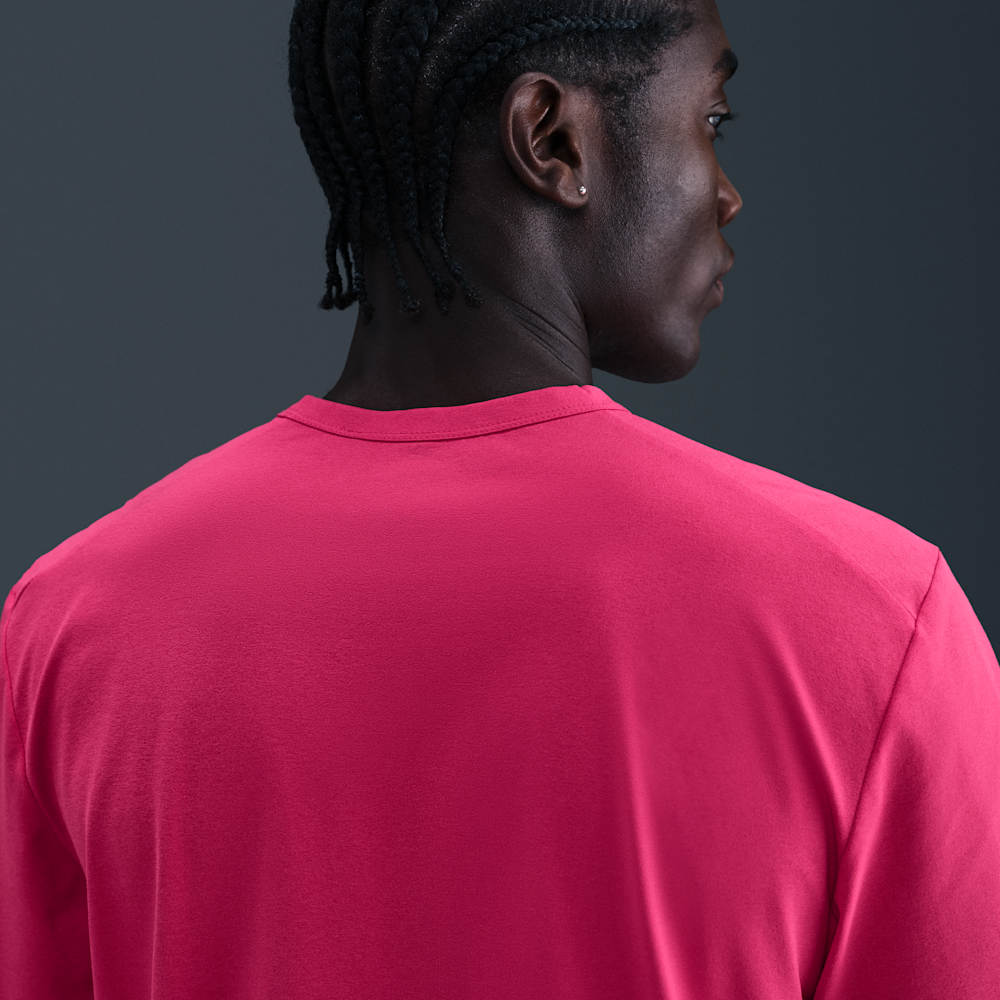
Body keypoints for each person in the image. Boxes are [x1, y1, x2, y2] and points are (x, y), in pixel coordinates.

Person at [2, 1, 997, 998]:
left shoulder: (73, 624)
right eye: (711, 121)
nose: (728, 195)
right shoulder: (873, 621)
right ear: (551, 139)